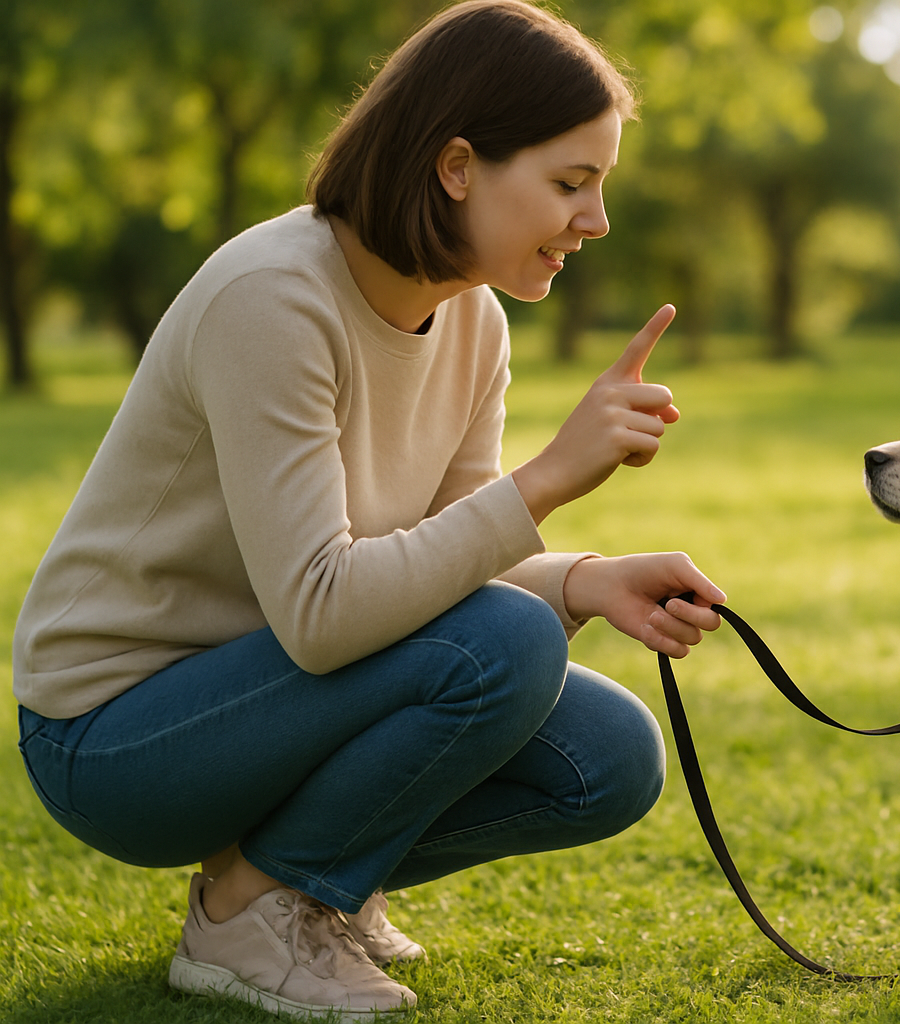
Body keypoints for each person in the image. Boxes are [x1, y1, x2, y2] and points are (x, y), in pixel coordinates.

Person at [11, 2, 725, 1019]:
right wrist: (550, 480)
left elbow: (432, 566)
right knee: (509, 645)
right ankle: (253, 913)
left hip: (284, 693)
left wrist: (582, 578)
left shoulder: (471, 315)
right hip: (117, 734)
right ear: (457, 166)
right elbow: (325, 610)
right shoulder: (273, 297)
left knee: (608, 756)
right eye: (570, 183)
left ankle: (311, 884)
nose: (595, 220)